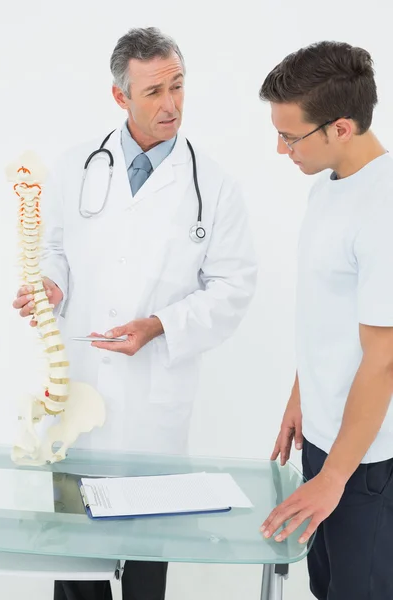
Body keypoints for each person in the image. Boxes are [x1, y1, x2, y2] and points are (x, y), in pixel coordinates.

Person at [12, 27, 257, 600]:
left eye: (178, 86)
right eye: (153, 92)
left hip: (156, 408)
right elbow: (56, 249)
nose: (170, 103)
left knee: (149, 567)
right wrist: (50, 284)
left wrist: (160, 326)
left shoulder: (213, 186)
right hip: (79, 398)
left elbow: (234, 286)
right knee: (77, 568)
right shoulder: (75, 167)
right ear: (120, 97)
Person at [258, 41, 393, 599]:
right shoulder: (326, 189)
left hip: (362, 462)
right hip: (322, 436)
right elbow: (324, 313)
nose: (280, 148)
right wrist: (301, 397)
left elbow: (384, 361)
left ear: (341, 127)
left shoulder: (382, 211)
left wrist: (335, 477)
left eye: (291, 136)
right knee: (325, 588)